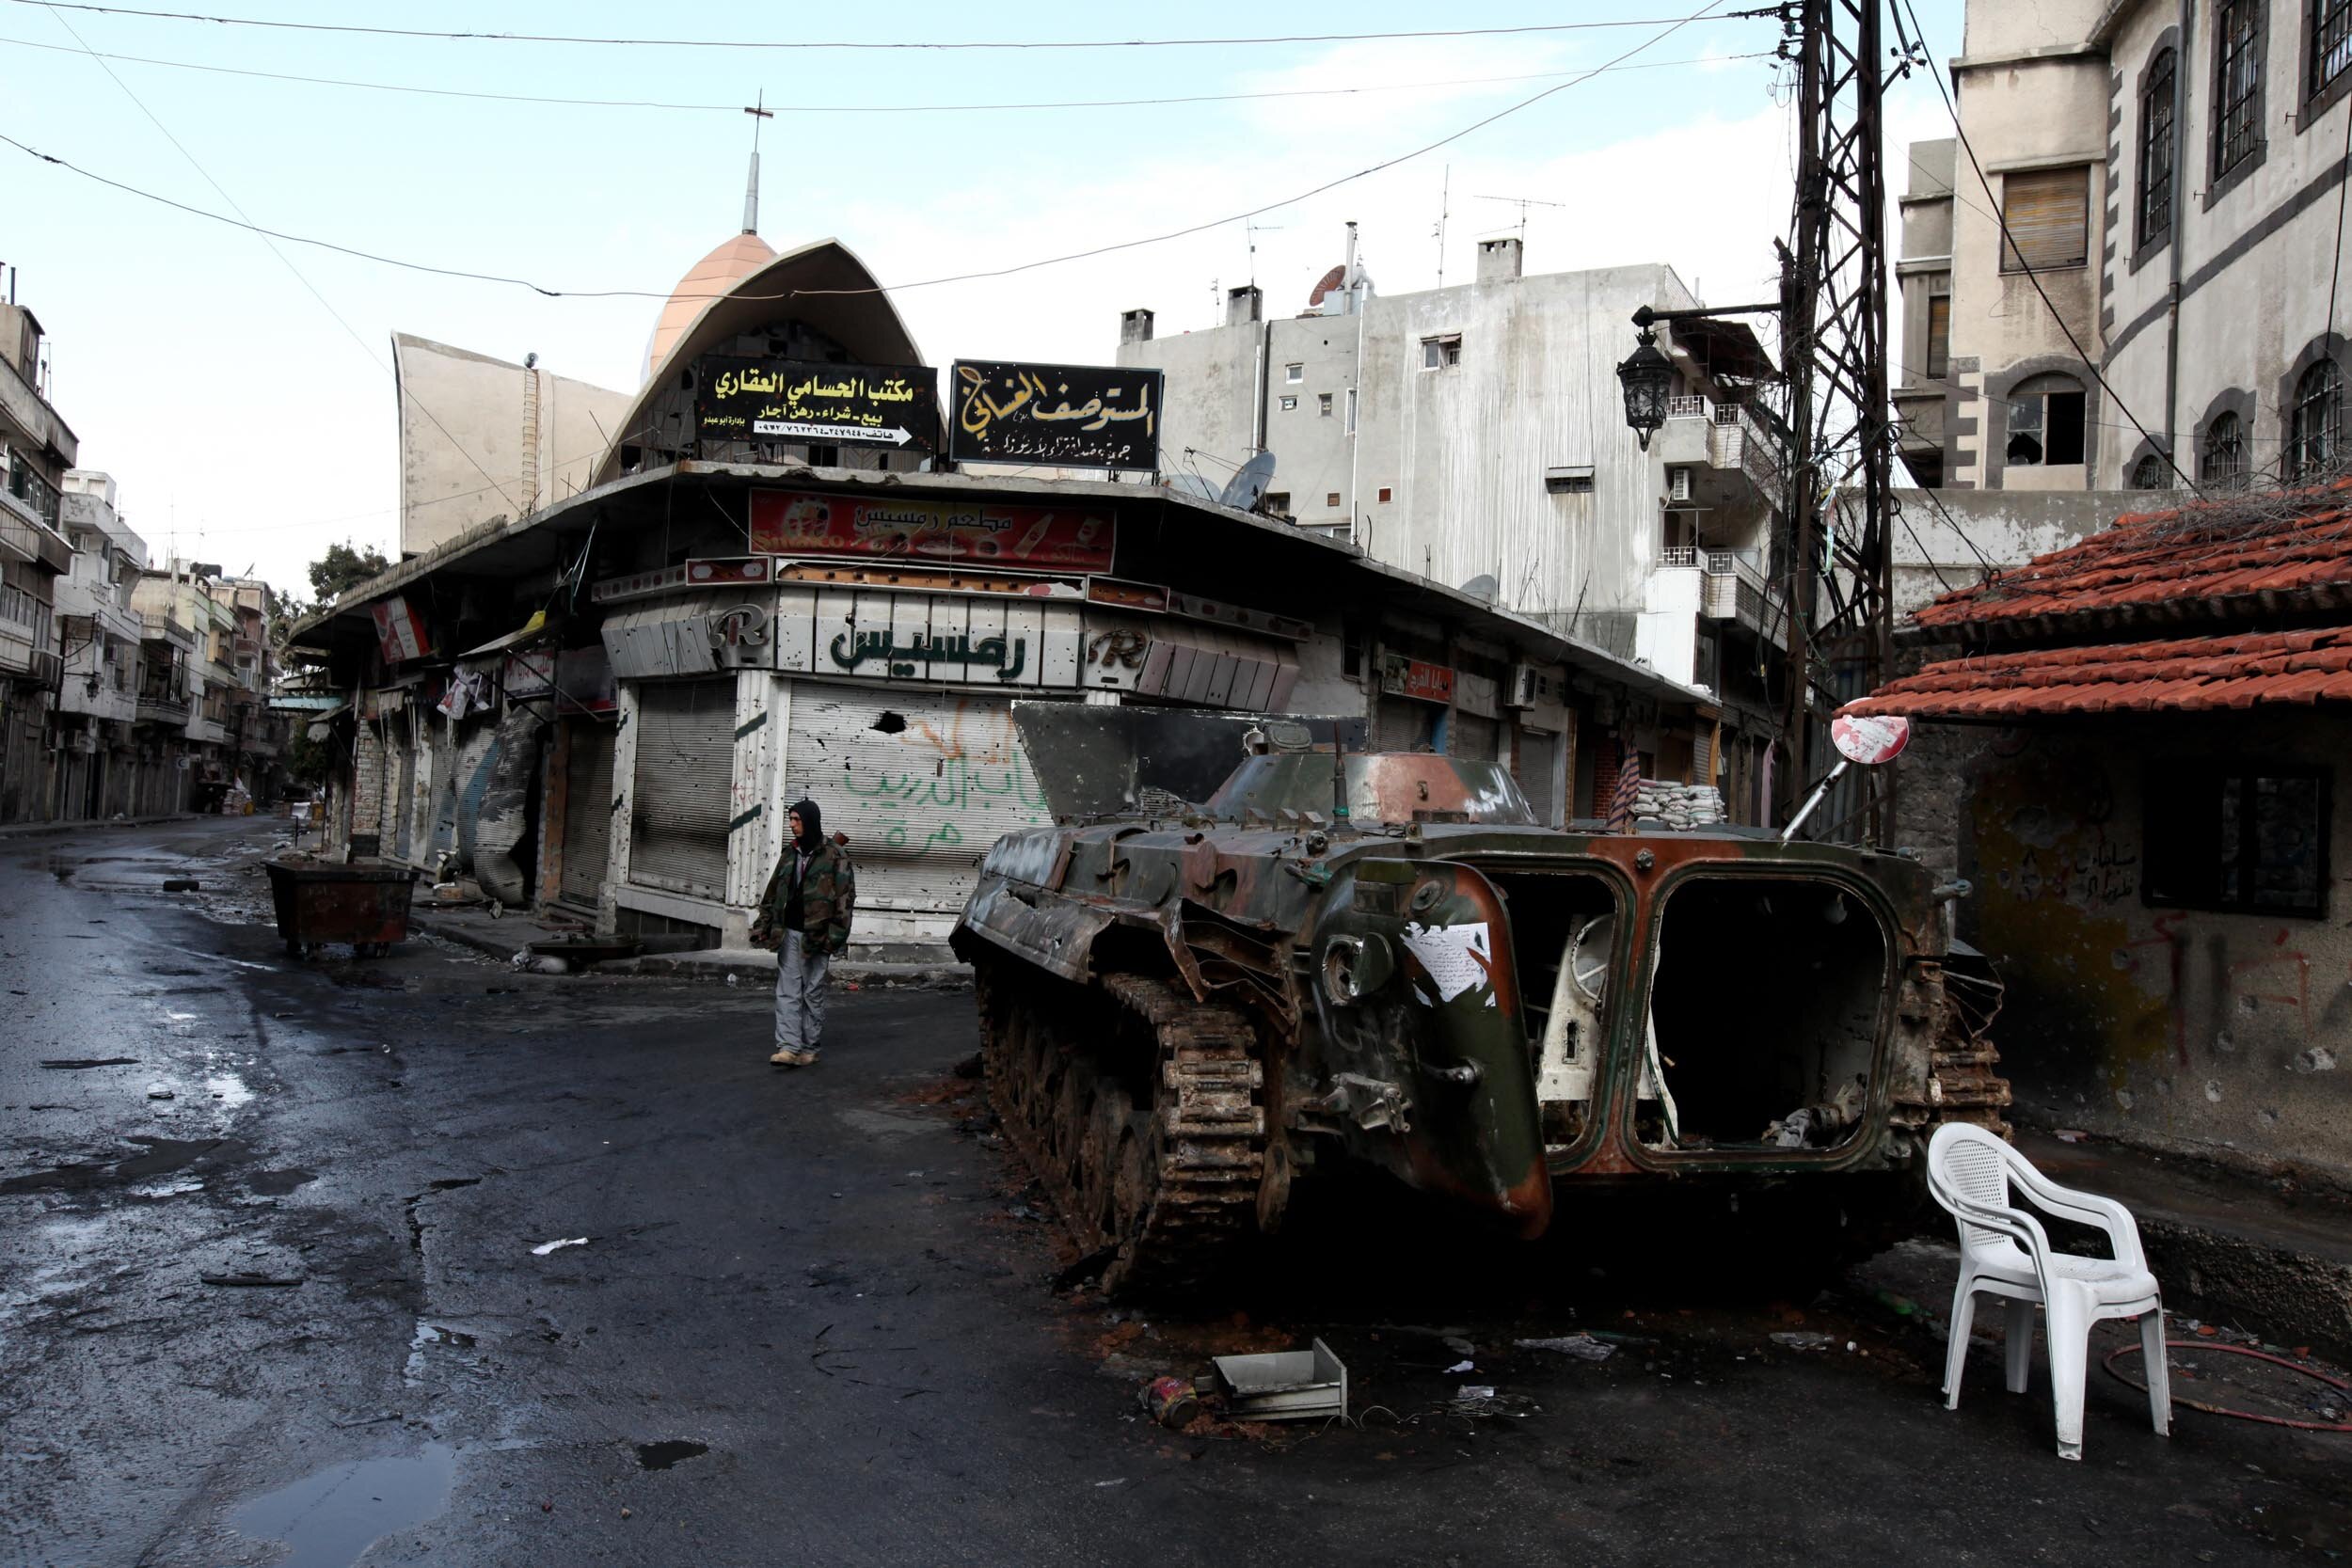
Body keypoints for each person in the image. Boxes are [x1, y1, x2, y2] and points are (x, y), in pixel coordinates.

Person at [750, 798, 855, 1068]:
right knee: (787, 991)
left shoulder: (834, 856)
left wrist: (834, 938)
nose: (793, 825)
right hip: (789, 934)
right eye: (791, 819)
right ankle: (788, 1047)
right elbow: (773, 893)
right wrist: (764, 925)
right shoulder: (790, 853)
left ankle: (809, 1047)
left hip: (817, 936)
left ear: (810, 821)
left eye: (797, 820)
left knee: (812, 992)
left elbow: (845, 901)